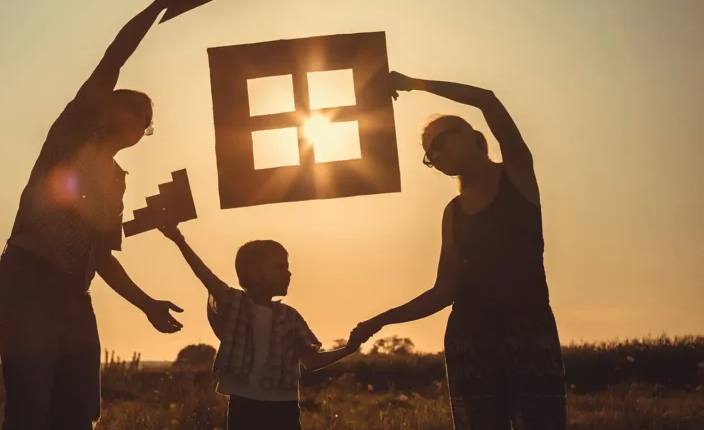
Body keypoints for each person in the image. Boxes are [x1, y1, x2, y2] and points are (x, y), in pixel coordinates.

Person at [0, 0, 190, 429]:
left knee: (79, 415)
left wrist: (146, 304)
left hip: (74, 297)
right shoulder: (70, 137)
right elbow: (114, 57)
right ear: (104, 109)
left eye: (147, 120)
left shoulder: (115, 181)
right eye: (132, 109)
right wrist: (161, 1)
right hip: (29, 284)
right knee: (29, 412)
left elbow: (100, 255)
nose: (140, 120)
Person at [351, 71, 567, 429]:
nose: (434, 155)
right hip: (470, 340)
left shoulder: (517, 175)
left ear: (471, 136)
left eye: (438, 142)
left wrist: (414, 84)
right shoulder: (452, 214)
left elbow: (487, 98)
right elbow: (444, 291)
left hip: (529, 332)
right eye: (428, 155)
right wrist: (380, 320)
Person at [158, 223, 366, 430]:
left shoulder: (290, 317)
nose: (289, 273)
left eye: (287, 266)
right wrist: (180, 241)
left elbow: (310, 360)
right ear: (254, 274)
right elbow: (205, 275)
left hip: (284, 407)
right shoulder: (234, 303)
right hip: (245, 405)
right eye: (279, 267)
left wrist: (348, 349)